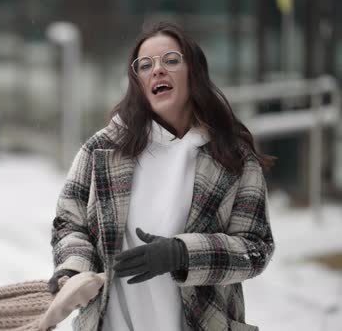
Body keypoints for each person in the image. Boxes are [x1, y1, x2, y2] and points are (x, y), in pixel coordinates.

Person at [48, 21, 275, 331]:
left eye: (171, 60)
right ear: (138, 82)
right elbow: (69, 223)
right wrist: (73, 272)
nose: (157, 70)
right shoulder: (102, 150)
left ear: (194, 73)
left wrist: (182, 254)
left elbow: (255, 249)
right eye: (145, 65)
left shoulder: (233, 158)